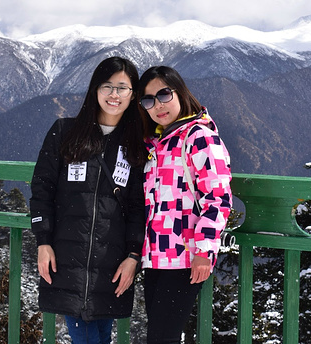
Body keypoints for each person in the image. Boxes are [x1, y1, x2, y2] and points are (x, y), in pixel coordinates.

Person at [29, 56, 147, 344]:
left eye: (123, 88)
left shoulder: (136, 145)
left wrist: (134, 256)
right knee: (84, 337)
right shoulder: (64, 132)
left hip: (112, 262)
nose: (114, 94)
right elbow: (42, 189)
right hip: (66, 258)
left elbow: (139, 207)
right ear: (95, 89)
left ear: (133, 95)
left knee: (102, 336)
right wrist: (43, 241)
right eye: (107, 86)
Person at [137, 66, 232, 344]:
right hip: (155, 257)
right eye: (149, 100)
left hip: (185, 257)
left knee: (162, 338)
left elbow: (218, 197)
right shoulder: (157, 143)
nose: (158, 105)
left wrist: (205, 250)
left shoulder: (199, 137)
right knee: (158, 336)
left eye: (164, 95)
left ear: (180, 92)